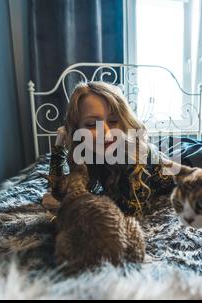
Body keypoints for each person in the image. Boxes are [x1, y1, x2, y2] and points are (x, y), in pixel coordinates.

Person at [44, 81, 175, 218]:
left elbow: (126, 215)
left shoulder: (134, 158)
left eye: (113, 121)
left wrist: (64, 206)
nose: (106, 134)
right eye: (91, 124)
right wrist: (59, 146)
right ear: (78, 130)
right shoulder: (87, 152)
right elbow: (57, 188)